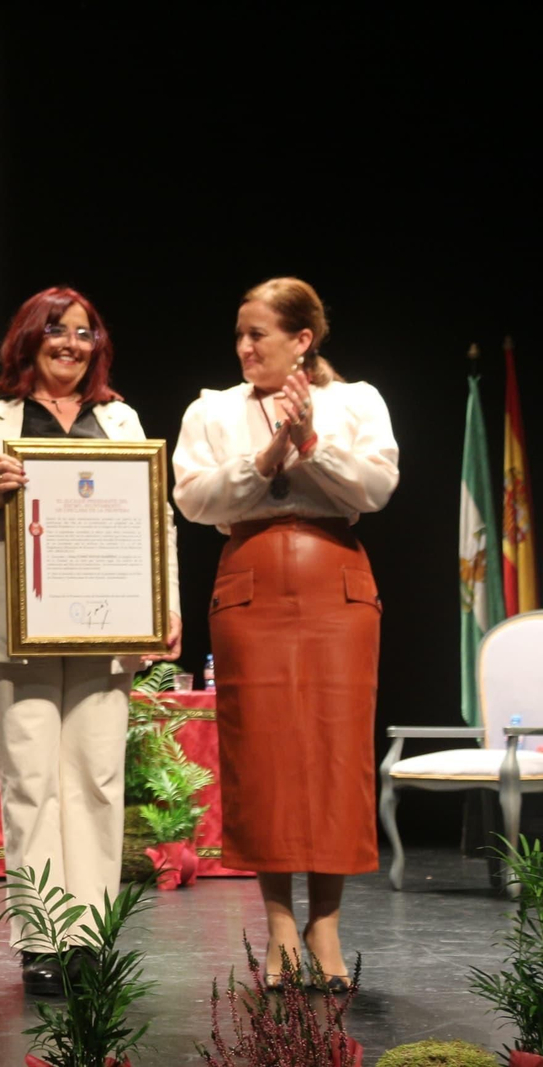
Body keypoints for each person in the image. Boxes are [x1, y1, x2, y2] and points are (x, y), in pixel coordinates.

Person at [0, 287, 181, 996]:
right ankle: (42, 937)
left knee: (98, 781)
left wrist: (163, 601)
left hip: (107, 625)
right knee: (31, 783)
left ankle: (90, 935)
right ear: (29, 339)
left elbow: (155, 515)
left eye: (84, 332)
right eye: (57, 331)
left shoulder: (121, 416)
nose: (72, 344)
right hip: (14, 628)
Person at [173, 277, 398, 992]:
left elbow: (375, 488)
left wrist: (311, 444)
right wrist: (266, 457)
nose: (244, 347)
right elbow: (193, 497)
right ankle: (277, 926)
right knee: (263, 750)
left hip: (337, 588)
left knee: (335, 750)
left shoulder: (355, 401)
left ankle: (324, 924)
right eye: (238, 334)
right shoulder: (212, 409)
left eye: (258, 335)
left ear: (302, 340)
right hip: (251, 588)